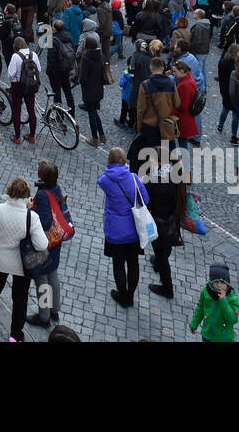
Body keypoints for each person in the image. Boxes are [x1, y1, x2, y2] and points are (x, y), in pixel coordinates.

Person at [0, 176, 50, 342]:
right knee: (20, 299)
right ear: (27, 196)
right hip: (22, 266)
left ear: (9, 192)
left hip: (0, 260)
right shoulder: (32, 217)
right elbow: (42, 244)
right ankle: (16, 334)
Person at [98, 147, 150, 308]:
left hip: (115, 231)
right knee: (133, 263)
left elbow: (99, 180)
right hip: (134, 230)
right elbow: (145, 200)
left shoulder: (106, 180)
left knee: (118, 263)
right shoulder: (134, 178)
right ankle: (130, 295)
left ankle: (122, 295)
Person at [26, 159, 72, 329]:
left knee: (42, 280)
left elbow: (45, 223)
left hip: (45, 243)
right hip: (56, 243)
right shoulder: (56, 188)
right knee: (53, 275)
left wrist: (31, 208)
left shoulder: (42, 195)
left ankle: (44, 317)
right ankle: (54, 310)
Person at [142, 145, 186, 300]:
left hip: (160, 221)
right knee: (165, 247)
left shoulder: (159, 180)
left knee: (161, 254)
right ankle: (159, 262)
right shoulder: (175, 173)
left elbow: (147, 196)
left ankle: (167, 287)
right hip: (172, 219)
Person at [188, 263, 239, 343]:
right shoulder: (206, 291)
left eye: (222, 282)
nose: (219, 285)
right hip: (207, 335)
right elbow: (200, 308)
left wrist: (223, 301)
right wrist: (194, 324)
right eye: (216, 281)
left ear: (227, 282)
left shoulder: (232, 298)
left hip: (224, 338)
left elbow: (232, 320)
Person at [7, 35, 43, 144]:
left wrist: (14, 80)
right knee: (31, 110)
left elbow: (10, 74)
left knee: (17, 111)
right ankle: (32, 136)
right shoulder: (34, 55)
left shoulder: (15, 56)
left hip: (17, 86)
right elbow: (39, 70)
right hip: (31, 85)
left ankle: (17, 137)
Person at [79, 32, 108, 146]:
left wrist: (80, 79)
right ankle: (102, 135)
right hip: (98, 89)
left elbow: (84, 78)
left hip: (89, 90)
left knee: (91, 114)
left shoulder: (86, 58)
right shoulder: (100, 55)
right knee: (94, 112)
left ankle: (95, 139)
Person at [216, 42, 239, 142]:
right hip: (236, 91)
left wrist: (221, 90)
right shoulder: (238, 65)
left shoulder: (222, 62)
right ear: (236, 53)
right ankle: (233, 135)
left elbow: (221, 78)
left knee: (225, 108)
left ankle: (220, 125)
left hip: (226, 90)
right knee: (236, 113)